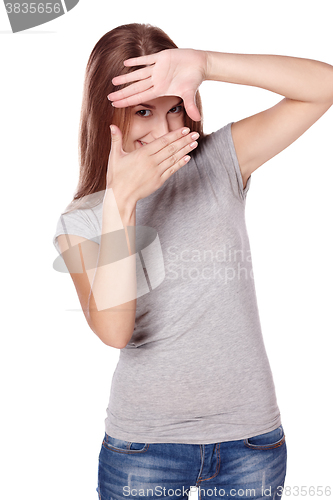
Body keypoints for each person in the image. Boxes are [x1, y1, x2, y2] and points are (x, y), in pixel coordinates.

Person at [52, 23, 333, 500]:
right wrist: (121, 204)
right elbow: (115, 331)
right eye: (143, 111)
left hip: (251, 441)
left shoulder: (218, 162)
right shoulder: (81, 220)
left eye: (174, 108)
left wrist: (205, 63)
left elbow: (322, 88)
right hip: (143, 449)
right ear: (108, 117)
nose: (164, 130)